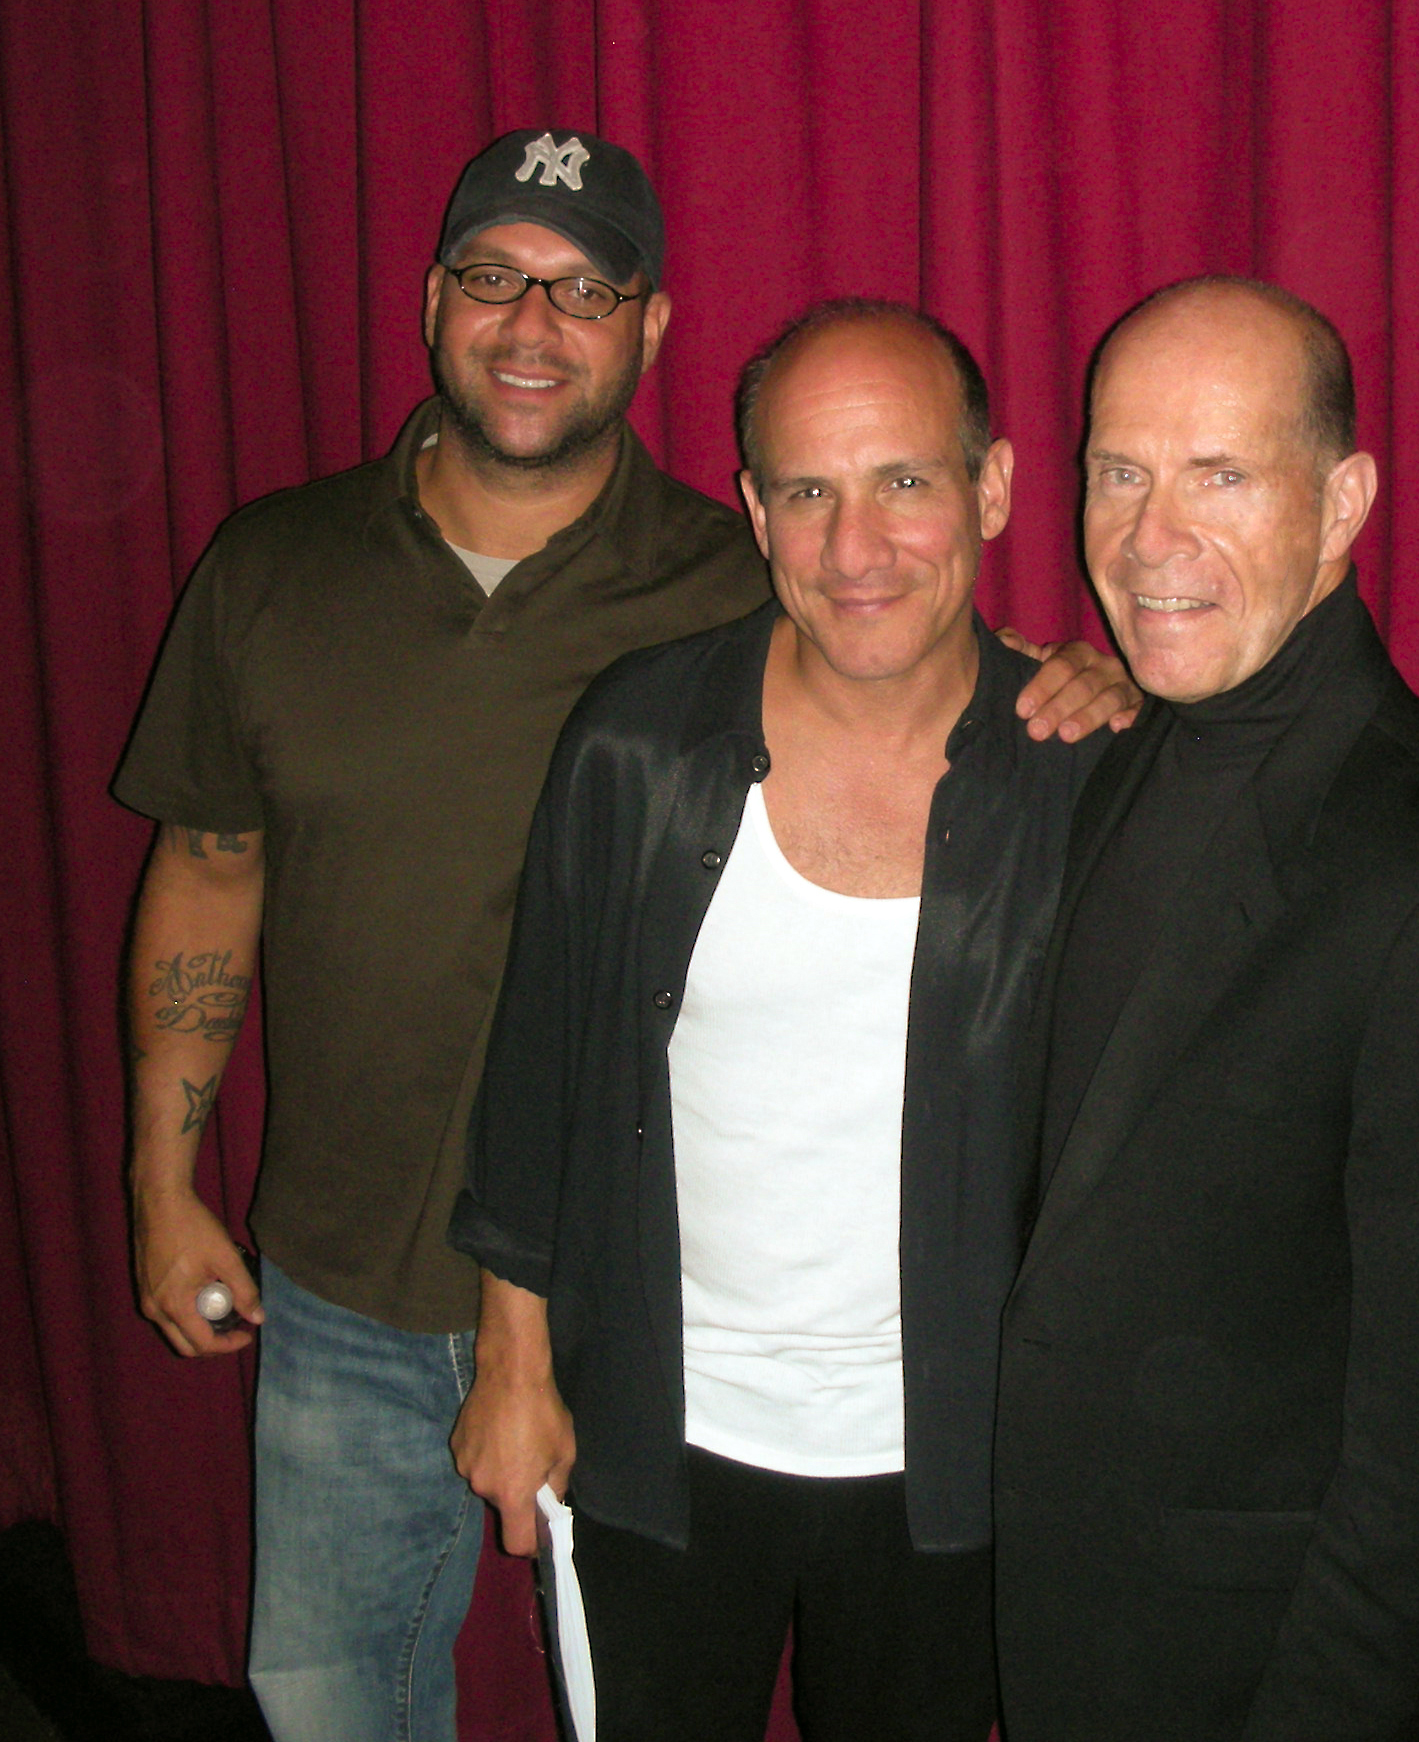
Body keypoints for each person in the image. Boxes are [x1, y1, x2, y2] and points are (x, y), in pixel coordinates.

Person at [115, 130, 1126, 1741]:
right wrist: (162, 1179)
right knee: (320, 1694)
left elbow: (905, 615)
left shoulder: (738, 577)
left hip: (666, 1314)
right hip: (358, 1271)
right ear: (433, 297)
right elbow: (211, 863)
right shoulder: (278, 570)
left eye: (585, 286)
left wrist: (1090, 686)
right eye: (494, 276)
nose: (533, 322)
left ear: (650, 329)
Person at [448, 300, 1126, 1741]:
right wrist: (514, 1369)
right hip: (663, 1439)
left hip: (956, 1463)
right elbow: (539, 1070)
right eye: (808, 490)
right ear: (754, 508)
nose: (855, 548)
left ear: (993, 488)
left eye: (905, 482)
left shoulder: (1092, 779)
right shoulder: (638, 743)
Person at [992, 278, 1419, 1742]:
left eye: (1220, 473)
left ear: (1342, 504)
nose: (1152, 537)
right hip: (1078, 1641)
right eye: (1120, 469)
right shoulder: (1128, 751)